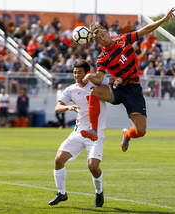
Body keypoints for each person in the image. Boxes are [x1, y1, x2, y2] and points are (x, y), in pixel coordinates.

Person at [79, 7, 175, 152]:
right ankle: (93, 129)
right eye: (99, 39)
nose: (102, 39)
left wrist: (162, 19)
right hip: (118, 89)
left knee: (141, 131)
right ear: (98, 43)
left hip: (133, 89)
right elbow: (99, 79)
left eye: (102, 35)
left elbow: (145, 30)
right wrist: (90, 76)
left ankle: (127, 134)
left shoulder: (123, 39)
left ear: (107, 32)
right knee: (94, 92)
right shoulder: (102, 57)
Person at [48, 59, 121, 207]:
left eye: (79, 72)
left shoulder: (97, 83)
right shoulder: (70, 89)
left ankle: (99, 191)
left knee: (93, 166)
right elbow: (57, 107)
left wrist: (118, 80)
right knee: (58, 159)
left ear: (87, 73)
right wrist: (68, 108)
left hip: (96, 133)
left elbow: (115, 79)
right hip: (78, 132)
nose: (76, 75)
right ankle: (61, 193)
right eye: (75, 72)